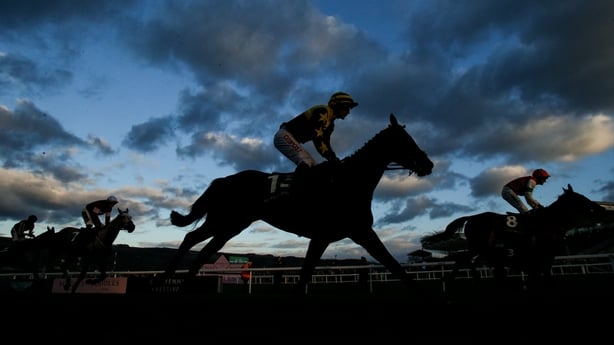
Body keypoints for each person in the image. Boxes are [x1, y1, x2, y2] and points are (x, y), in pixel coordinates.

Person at [274, 91, 358, 191]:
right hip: (285, 135)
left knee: (313, 165)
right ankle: (293, 192)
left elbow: (325, 144)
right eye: (346, 107)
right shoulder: (323, 111)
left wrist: (334, 158)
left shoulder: (330, 125)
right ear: (337, 105)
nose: (348, 111)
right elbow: (317, 138)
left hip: (290, 137)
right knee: (307, 162)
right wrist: (332, 158)